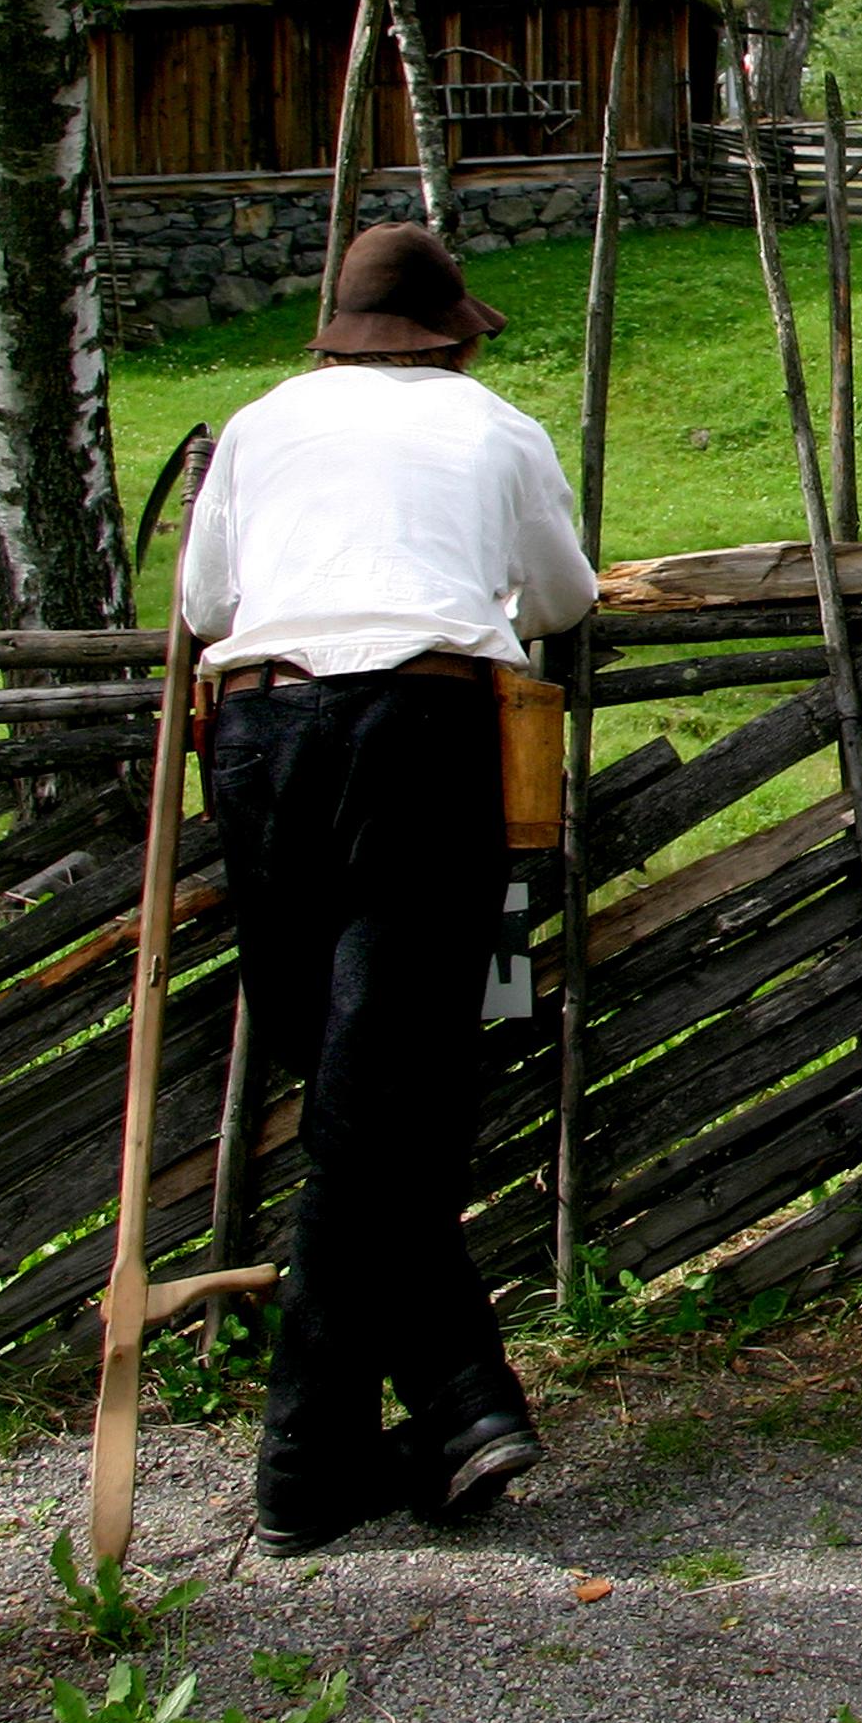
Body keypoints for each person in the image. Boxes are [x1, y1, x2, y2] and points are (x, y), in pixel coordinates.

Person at [179, 221, 600, 1553]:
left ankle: (460, 1408)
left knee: (346, 1083)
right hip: (420, 734)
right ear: (452, 336)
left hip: (262, 733)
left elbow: (205, 600)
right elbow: (566, 596)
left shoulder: (259, 426)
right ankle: (310, 1462)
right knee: (371, 1103)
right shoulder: (495, 429)